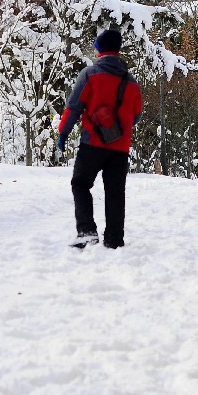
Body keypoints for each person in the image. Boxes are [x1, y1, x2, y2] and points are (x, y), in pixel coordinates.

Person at [57, 28, 144, 249]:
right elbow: (136, 115)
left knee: (80, 184)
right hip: (120, 147)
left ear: (99, 50)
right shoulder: (131, 81)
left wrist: (63, 132)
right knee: (115, 192)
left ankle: (86, 231)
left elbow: (74, 106)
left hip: (92, 143)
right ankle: (114, 239)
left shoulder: (89, 75)